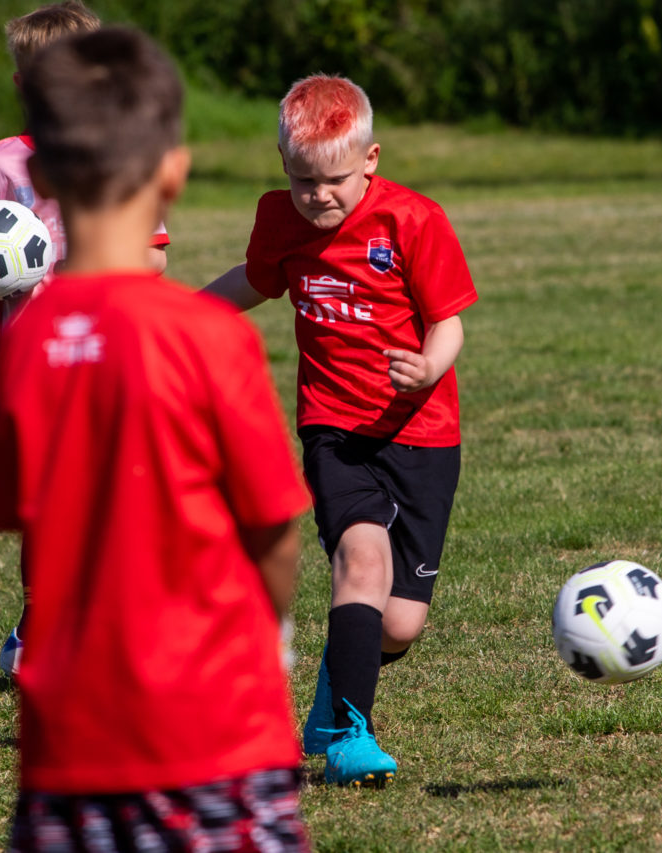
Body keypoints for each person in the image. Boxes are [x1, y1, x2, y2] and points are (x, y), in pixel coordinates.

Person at [0, 27, 311, 852]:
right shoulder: (209, 337)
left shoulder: (18, 349)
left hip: (69, 755)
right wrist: (271, 632)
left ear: (42, 179)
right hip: (219, 738)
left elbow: (31, 520)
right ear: (175, 173)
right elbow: (273, 524)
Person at [204, 74, 478, 788]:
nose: (316, 197)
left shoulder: (413, 221)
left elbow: (448, 319)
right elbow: (254, 281)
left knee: (401, 624)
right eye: (300, 181)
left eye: (332, 181)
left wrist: (428, 366)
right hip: (335, 429)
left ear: (371, 160)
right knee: (361, 560)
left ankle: (332, 700)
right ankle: (352, 737)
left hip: (423, 432)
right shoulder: (280, 220)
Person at [0, 1, 170, 677]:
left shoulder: (122, 159)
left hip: (110, 355)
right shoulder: (1, 165)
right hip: (30, 361)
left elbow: (153, 259)